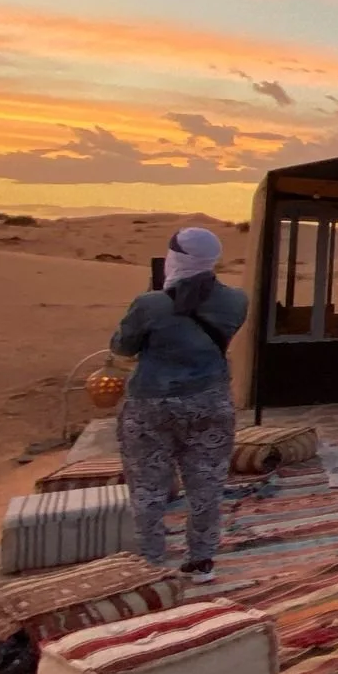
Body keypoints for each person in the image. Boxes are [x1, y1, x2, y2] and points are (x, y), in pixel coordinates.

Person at [109, 227, 248, 583]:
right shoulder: (236, 300)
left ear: (175, 258)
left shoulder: (150, 304)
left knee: (148, 489)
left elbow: (122, 347)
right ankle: (201, 561)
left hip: (151, 406)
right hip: (210, 402)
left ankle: (152, 565)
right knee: (206, 486)